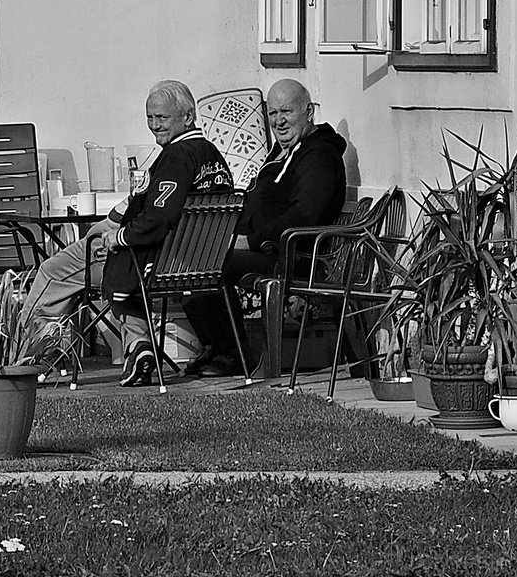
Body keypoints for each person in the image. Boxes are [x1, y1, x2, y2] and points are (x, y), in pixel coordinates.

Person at [23, 80, 234, 387]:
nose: (154, 126)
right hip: (197, 264)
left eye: (161, 118)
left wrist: (119, 236)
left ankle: (31, 358)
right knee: (111, 261)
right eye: (150, 117)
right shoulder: (211, 156)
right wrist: (113, 222)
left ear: (188, 116)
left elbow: (159, 216)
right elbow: (147, 198)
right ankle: (139, 347)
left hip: (156, 264)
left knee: (53, 271)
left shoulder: (176, 157)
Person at [180, 78, 348, 378]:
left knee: (209, 263)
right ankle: (217, 346)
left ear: (308, 111)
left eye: (287, 112)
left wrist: (251, 241)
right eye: (272, 113)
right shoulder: (283, 151)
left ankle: (232, 353)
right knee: (189, 257)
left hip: (293, 255)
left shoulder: (319, 155)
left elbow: (305, 214)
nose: (279, 121)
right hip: (270, 247)